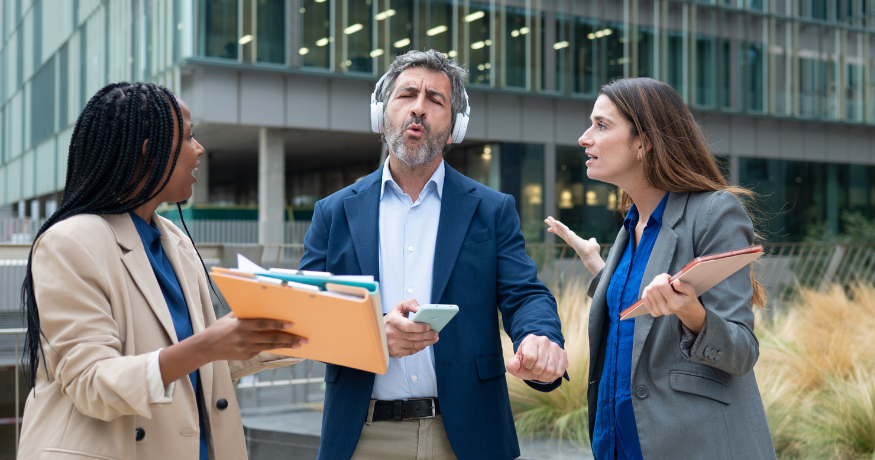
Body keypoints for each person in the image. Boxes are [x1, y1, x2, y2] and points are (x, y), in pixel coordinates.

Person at [298, 49, 569, 460]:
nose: (419, 109)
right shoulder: (333, 213)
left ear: (456, 125)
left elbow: (525, 293)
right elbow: (306, 314)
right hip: (361, 437)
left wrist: (540, 337)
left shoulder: (492, 209)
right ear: (381, 112)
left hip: (468, 437)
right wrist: (370, 333)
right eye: (407, 94)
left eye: (436, 99)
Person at [18, 82, 305, 460]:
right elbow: (91, 383)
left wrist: (304, 322)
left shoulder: (174, 240)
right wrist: (208, 344)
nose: (199, 149)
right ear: (149, 153)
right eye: (189, 137)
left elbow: (203, 361)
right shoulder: (70, 241)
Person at [545, 77, 776, 460]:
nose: (585, 138)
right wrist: (600, 270)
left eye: (601, 126)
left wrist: (690, 311)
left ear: (644, 142)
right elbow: (641, 315)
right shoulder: (630, 226)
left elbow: (741, 352)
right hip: (617, 442)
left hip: (690, 444)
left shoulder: (713, 212)